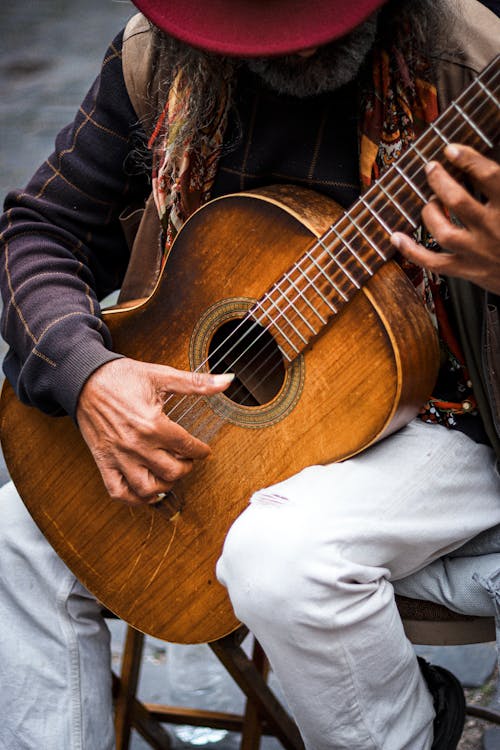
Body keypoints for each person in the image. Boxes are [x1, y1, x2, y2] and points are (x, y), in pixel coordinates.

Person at [0, 0, 499, 748]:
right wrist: (89, 373)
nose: (294, 50)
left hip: (445, 418)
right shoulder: (159, 58)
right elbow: (43, 228)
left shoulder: (469, 64)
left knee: (285, 556)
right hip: (232, 429)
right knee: (18, 532)